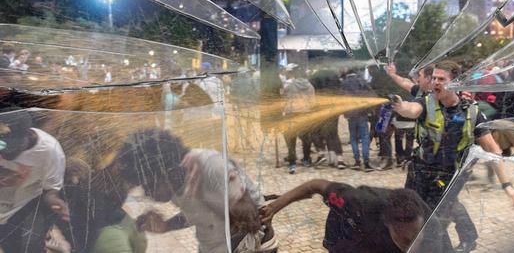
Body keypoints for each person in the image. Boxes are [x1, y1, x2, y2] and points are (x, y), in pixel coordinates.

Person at [391, 61, 514, 252]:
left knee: (431, 230)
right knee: (418, 227)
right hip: (418, 176)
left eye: (441, 79)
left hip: (446, 181)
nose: (435, 82)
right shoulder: (425, 103)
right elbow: (410, 110)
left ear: (456, 83)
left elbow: (493, 150)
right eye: (433, 78)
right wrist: (400, 105)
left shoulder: (472, 111)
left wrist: (507, 186)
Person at [116, 129, 277, 253]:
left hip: (252, 247)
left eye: (149, 184)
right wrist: (166, 226)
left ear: (168, 170)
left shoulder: (212, 166)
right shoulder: (176, 180)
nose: (147, 192)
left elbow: (252, 220)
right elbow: (197, 215)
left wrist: (206, 195)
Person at [259, 179, 451, 252]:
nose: (411, 246)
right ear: (387, 223)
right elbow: (315, 186)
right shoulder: (358, 202)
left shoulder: (432, 228)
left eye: (416, 237)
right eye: (404, 240)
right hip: (348, 231)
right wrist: (274, 207)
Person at [0, 108, 69, 253]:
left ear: (28, 134)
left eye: (11, 148)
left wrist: (53, 201)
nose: (5, 154)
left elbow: (50, 189)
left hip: (18, 212)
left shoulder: (50, 151)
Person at [280, 65, 319, 173]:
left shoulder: (289, 85)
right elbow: (313, 103)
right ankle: (306, 159)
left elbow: (283, 97)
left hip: (291, 113)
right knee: (306, 138)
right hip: (305, 114)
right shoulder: (310, 86)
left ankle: (292, 164)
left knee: (291, 139)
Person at [341, 69, 374, 171]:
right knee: (365, 137)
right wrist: (370, 110)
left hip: (351, 114)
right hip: (362, 113)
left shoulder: (344, 83)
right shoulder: (362, 81)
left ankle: (357, 161)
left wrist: (344, 112)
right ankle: (366, 162)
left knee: (353, 138)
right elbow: (370, 95)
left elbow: (341, 99)